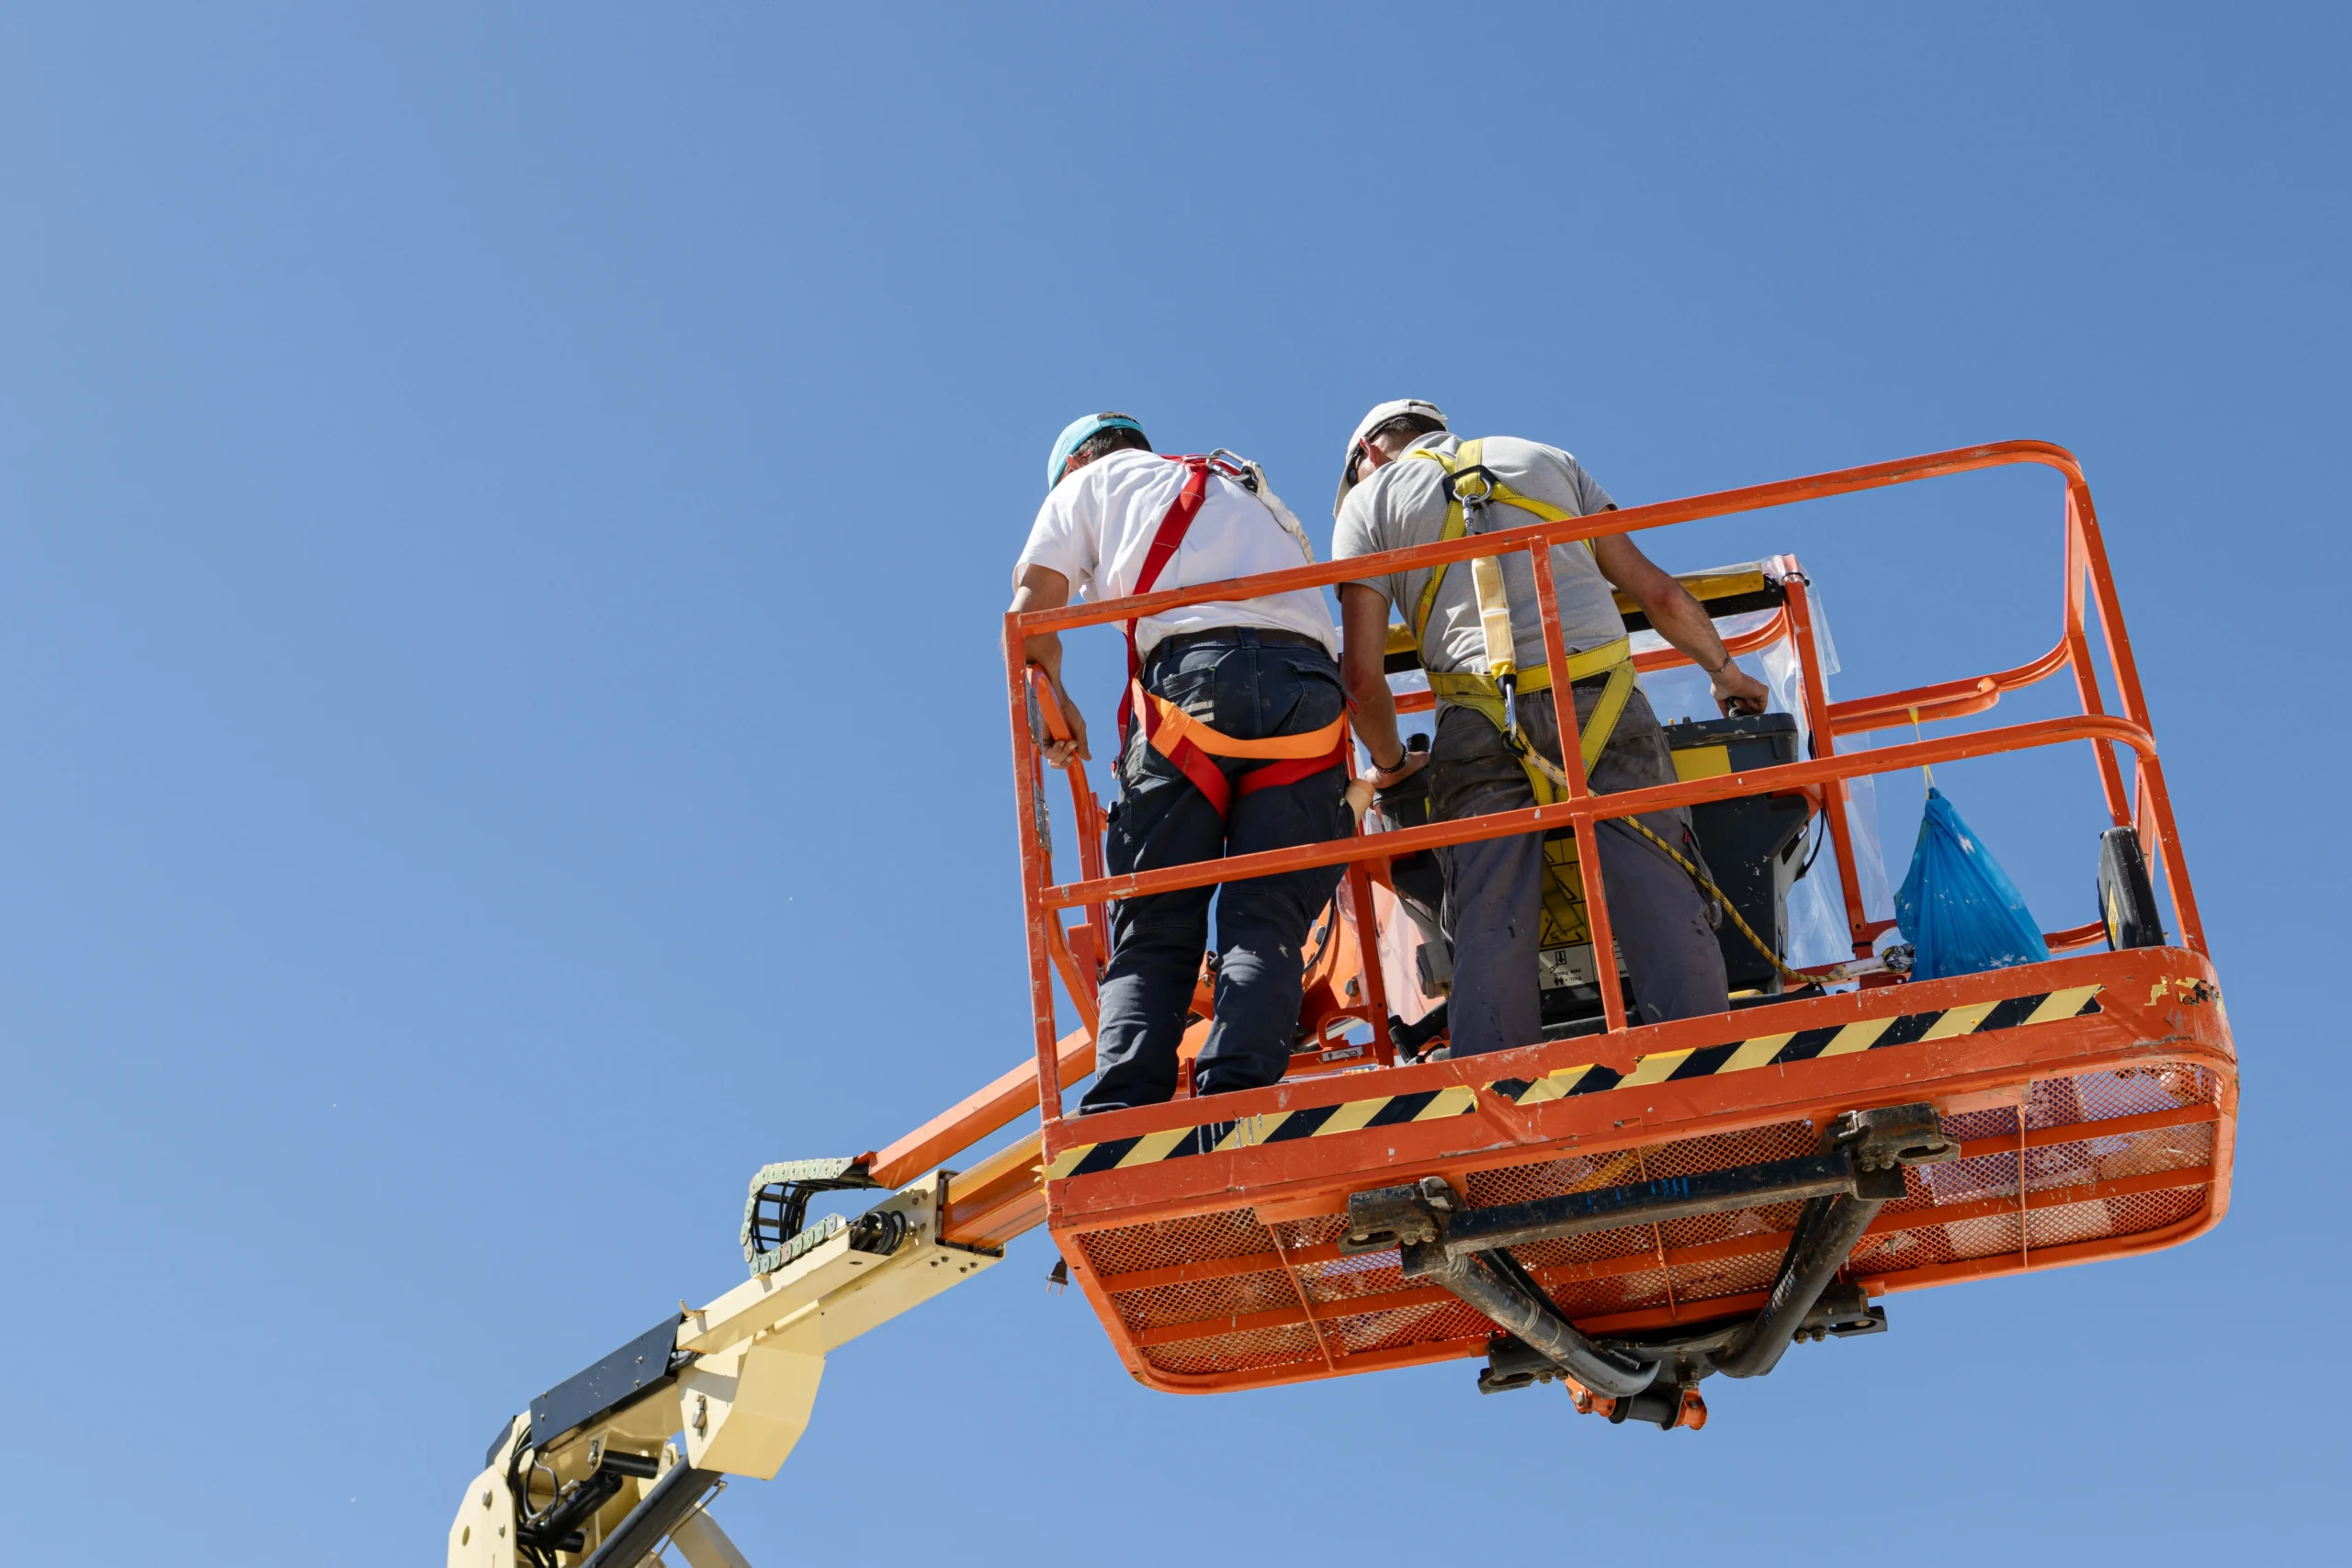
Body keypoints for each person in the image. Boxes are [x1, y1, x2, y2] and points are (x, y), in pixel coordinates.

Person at [1330, 400, 1772, 1055]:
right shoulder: (1545, 459)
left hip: (1478, 723)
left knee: (1487, 921)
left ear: (1367, 456)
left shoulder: (1370, 507)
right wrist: (1727, 672)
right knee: (1660, 892)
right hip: (1603, 699)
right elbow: (1662, 596)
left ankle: (1501, 1104)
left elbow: (1362, 681)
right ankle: (1707, 1074)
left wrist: (1392, 765)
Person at [1011, 412, 1352, 1113]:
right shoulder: (1247, 487)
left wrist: (1055, 702)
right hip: (1310, 697)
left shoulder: (1088, 486)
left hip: (1196, 693)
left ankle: (1125, 1110)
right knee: (1268, 914)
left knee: (1157, 916)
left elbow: (1030, 615)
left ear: (1075, 466)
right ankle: (1239, 1094)